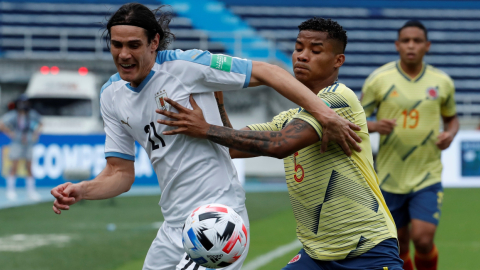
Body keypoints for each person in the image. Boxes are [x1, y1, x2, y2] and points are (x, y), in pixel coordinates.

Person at [49, 4, 362, 270]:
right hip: (173, 225)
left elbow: (269, 72)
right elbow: (119, 173)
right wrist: (83, 189)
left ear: (154, 42)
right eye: (117, 45)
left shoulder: (187, 67)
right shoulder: (110, 95)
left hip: (217, 217)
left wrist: (324, 113)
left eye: (133, 45)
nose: (123, 54)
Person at [156, 17, 403, 270]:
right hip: (316, 253)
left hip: (366, 249)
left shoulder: (339, 98)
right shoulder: (289, 117)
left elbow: (281, 144)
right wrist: (217, 101)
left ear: (338, 61)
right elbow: (231, 146)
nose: (302, 56)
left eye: (315, 50)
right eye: (298, 48)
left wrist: (206, 128)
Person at [360, 21, 459, 270]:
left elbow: (452, 119)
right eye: (406, 40)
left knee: (423, 239)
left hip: (427, 175)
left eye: (417, 41)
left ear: (427, 46)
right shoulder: (378, 80)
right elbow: (355, 118)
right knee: (400, 244)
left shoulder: (442, 82)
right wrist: (374, 126)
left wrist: (450, 134)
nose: (411, 45)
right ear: (397, 45)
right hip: (388, 177)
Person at [0, 94, 42, 201]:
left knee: (29, 167)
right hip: (17, 142)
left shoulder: (32, 114)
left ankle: (31, 191)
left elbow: (40, 124)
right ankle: (10, 190)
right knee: (14, 166)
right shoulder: (14, 115)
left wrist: (35, 134)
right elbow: (2, 123)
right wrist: (10, 133)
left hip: (28, 143)